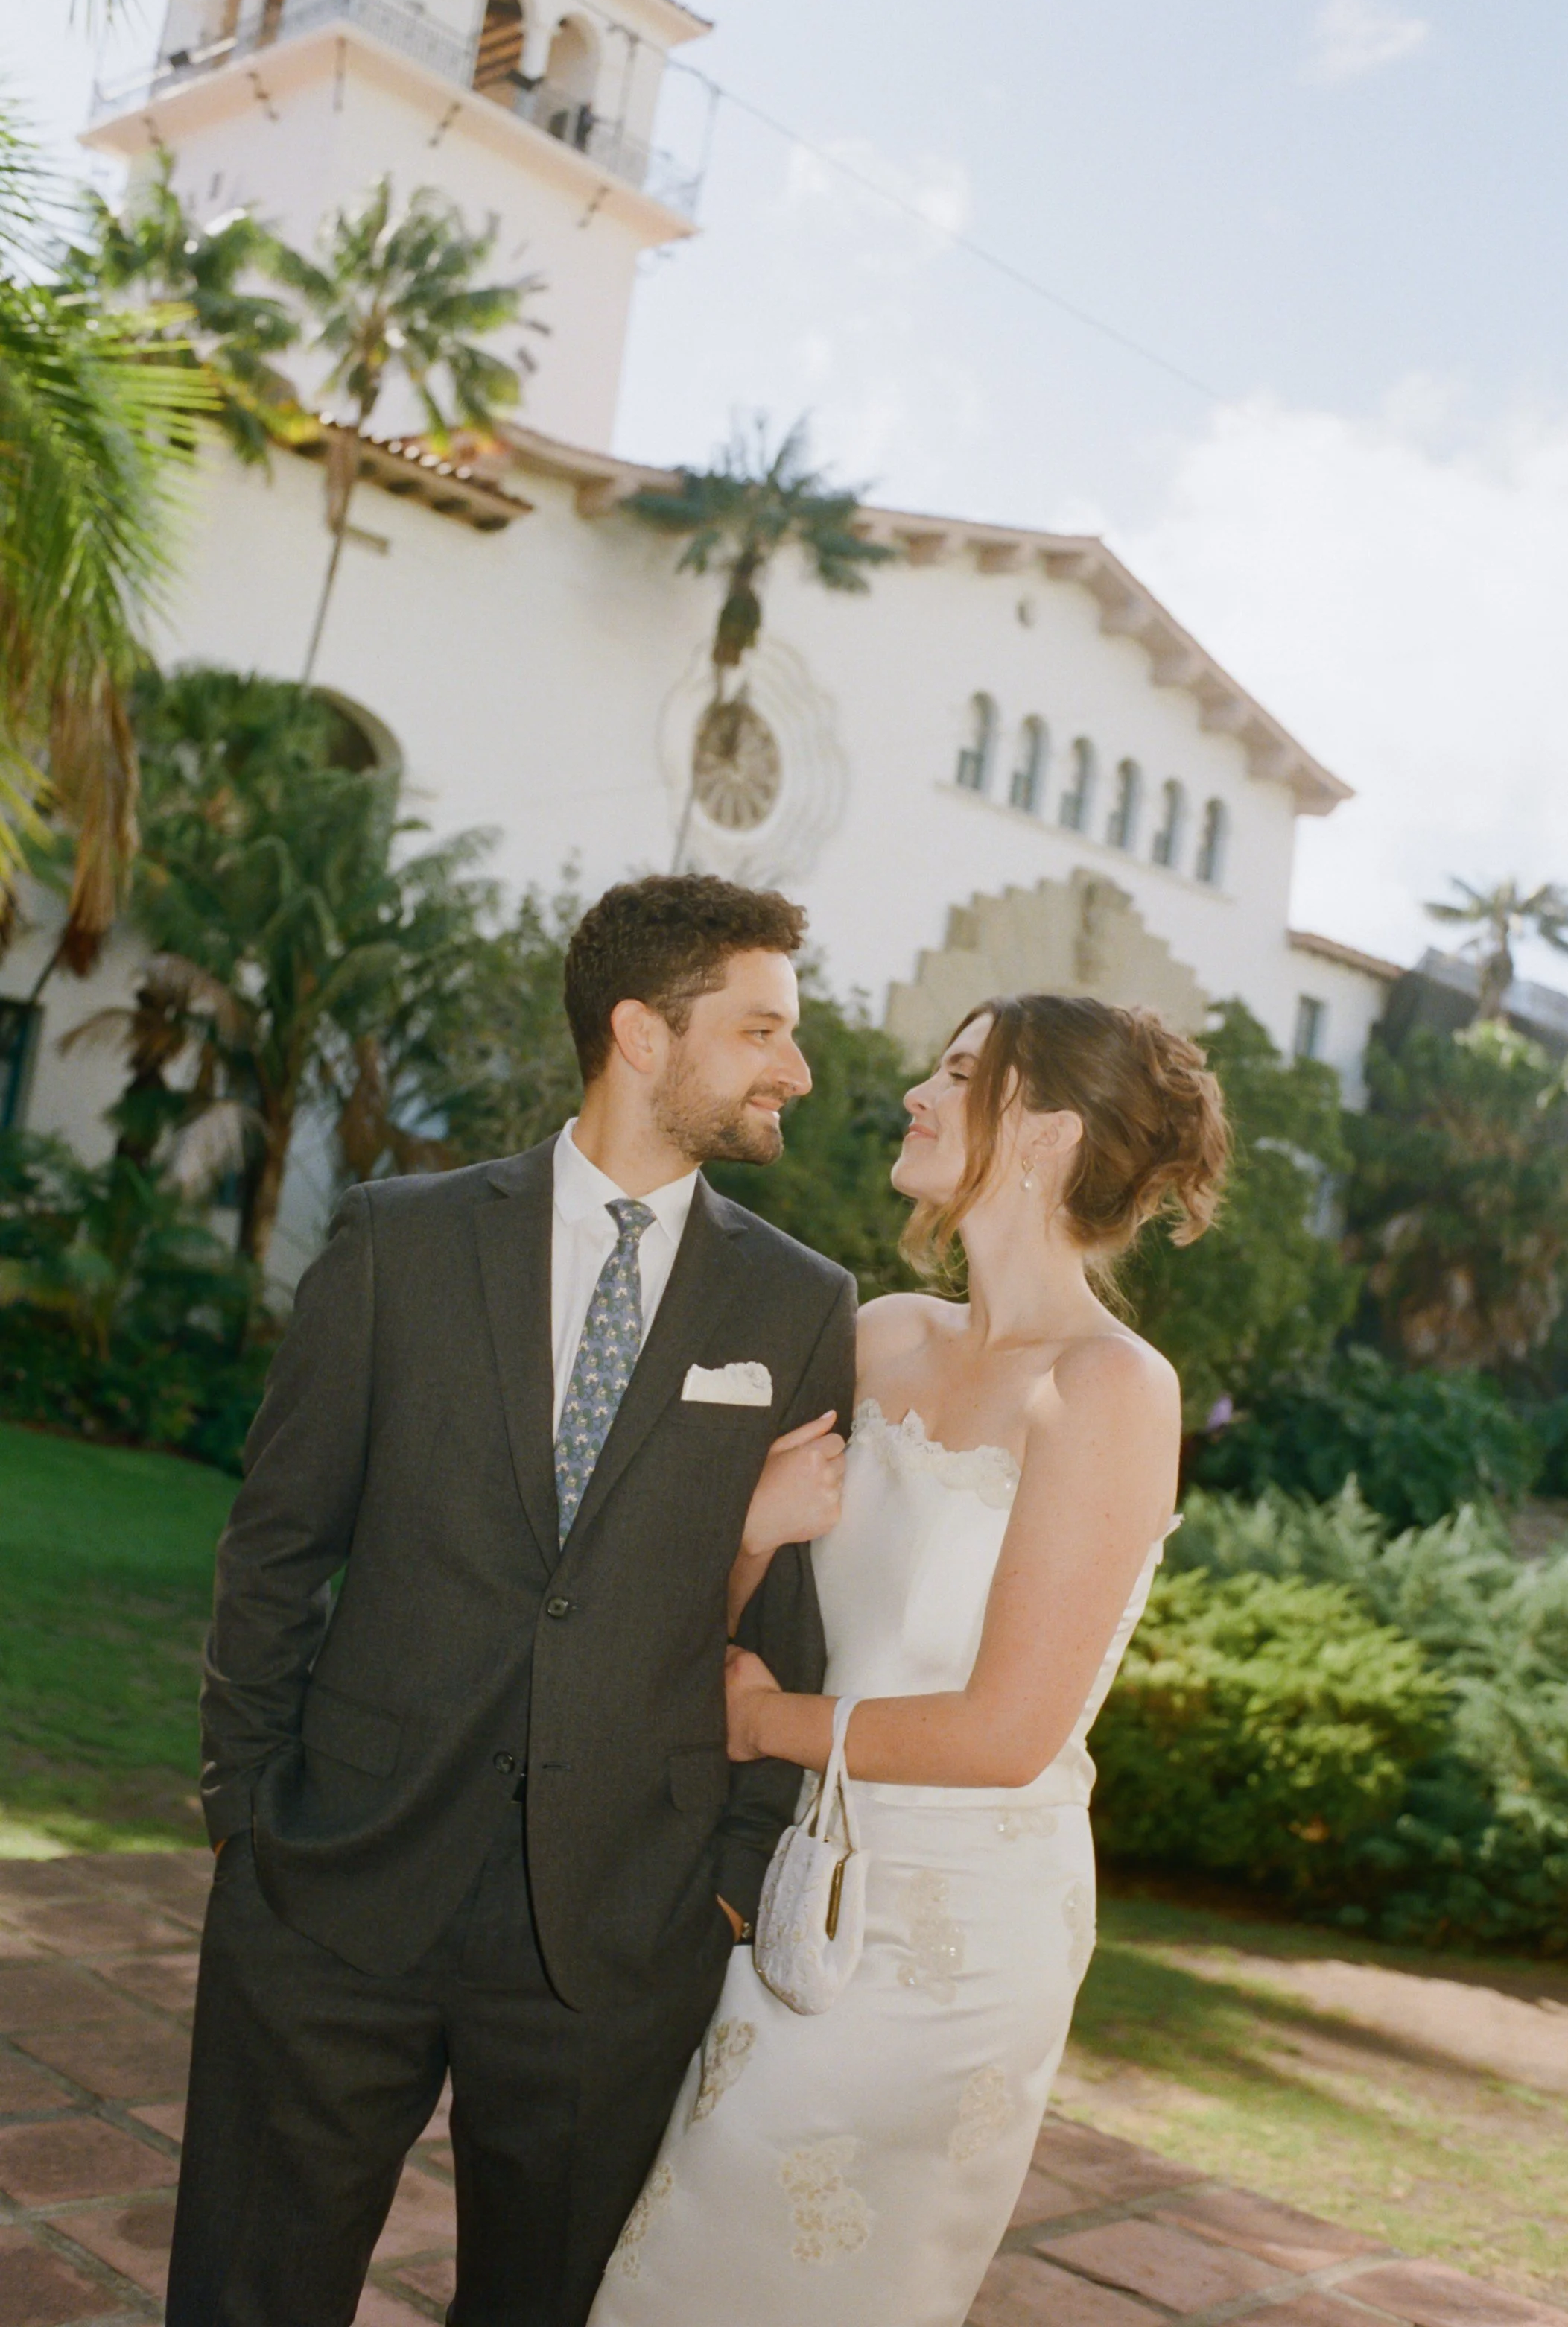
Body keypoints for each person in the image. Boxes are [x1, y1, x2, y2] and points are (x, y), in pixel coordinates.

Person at [165, 873, 859, 2327]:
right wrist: (248, 1812)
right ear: (639, 1033)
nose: (794, 1067)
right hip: (335, 1884)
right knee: (248, 2297)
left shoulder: (796, 1302)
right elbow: (279, 1542)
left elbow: (780, 1616)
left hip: (619, 1929)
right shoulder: (397, 1240)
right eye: (761, 1030)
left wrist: (723, 1887)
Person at [588, 991, 1229, 2327]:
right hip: (797, 1874)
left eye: (958, 1075)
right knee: (677, 2249)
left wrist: (766, 1727)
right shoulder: (882, 1335)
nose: (914, 1096)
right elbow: (714, 1607)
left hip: (958, 1928)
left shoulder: (1114, 1389)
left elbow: (1006, 1736)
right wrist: (754, 1539)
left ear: (1046, 1132)